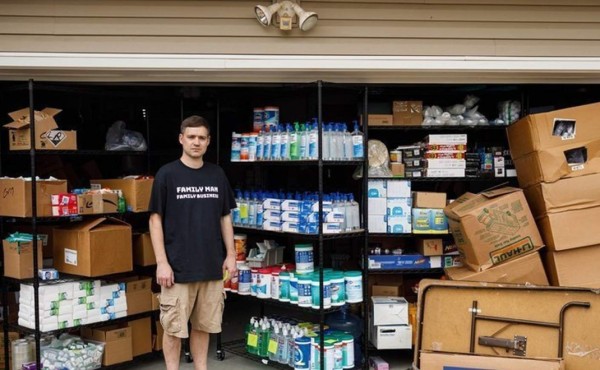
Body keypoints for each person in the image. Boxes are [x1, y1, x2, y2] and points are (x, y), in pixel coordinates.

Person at [149, 115, 237, 370]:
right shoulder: (167, 175)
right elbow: (155, 221)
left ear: (208, 141)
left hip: (211, 267)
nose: (196, 142)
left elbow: (225, 216)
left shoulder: (217, 174)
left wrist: (231, 254)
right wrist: (161, 263)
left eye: (201, 138)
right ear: (181, 139)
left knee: (204, 326)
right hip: (177, 269)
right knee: (174, 328)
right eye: (191, 137)